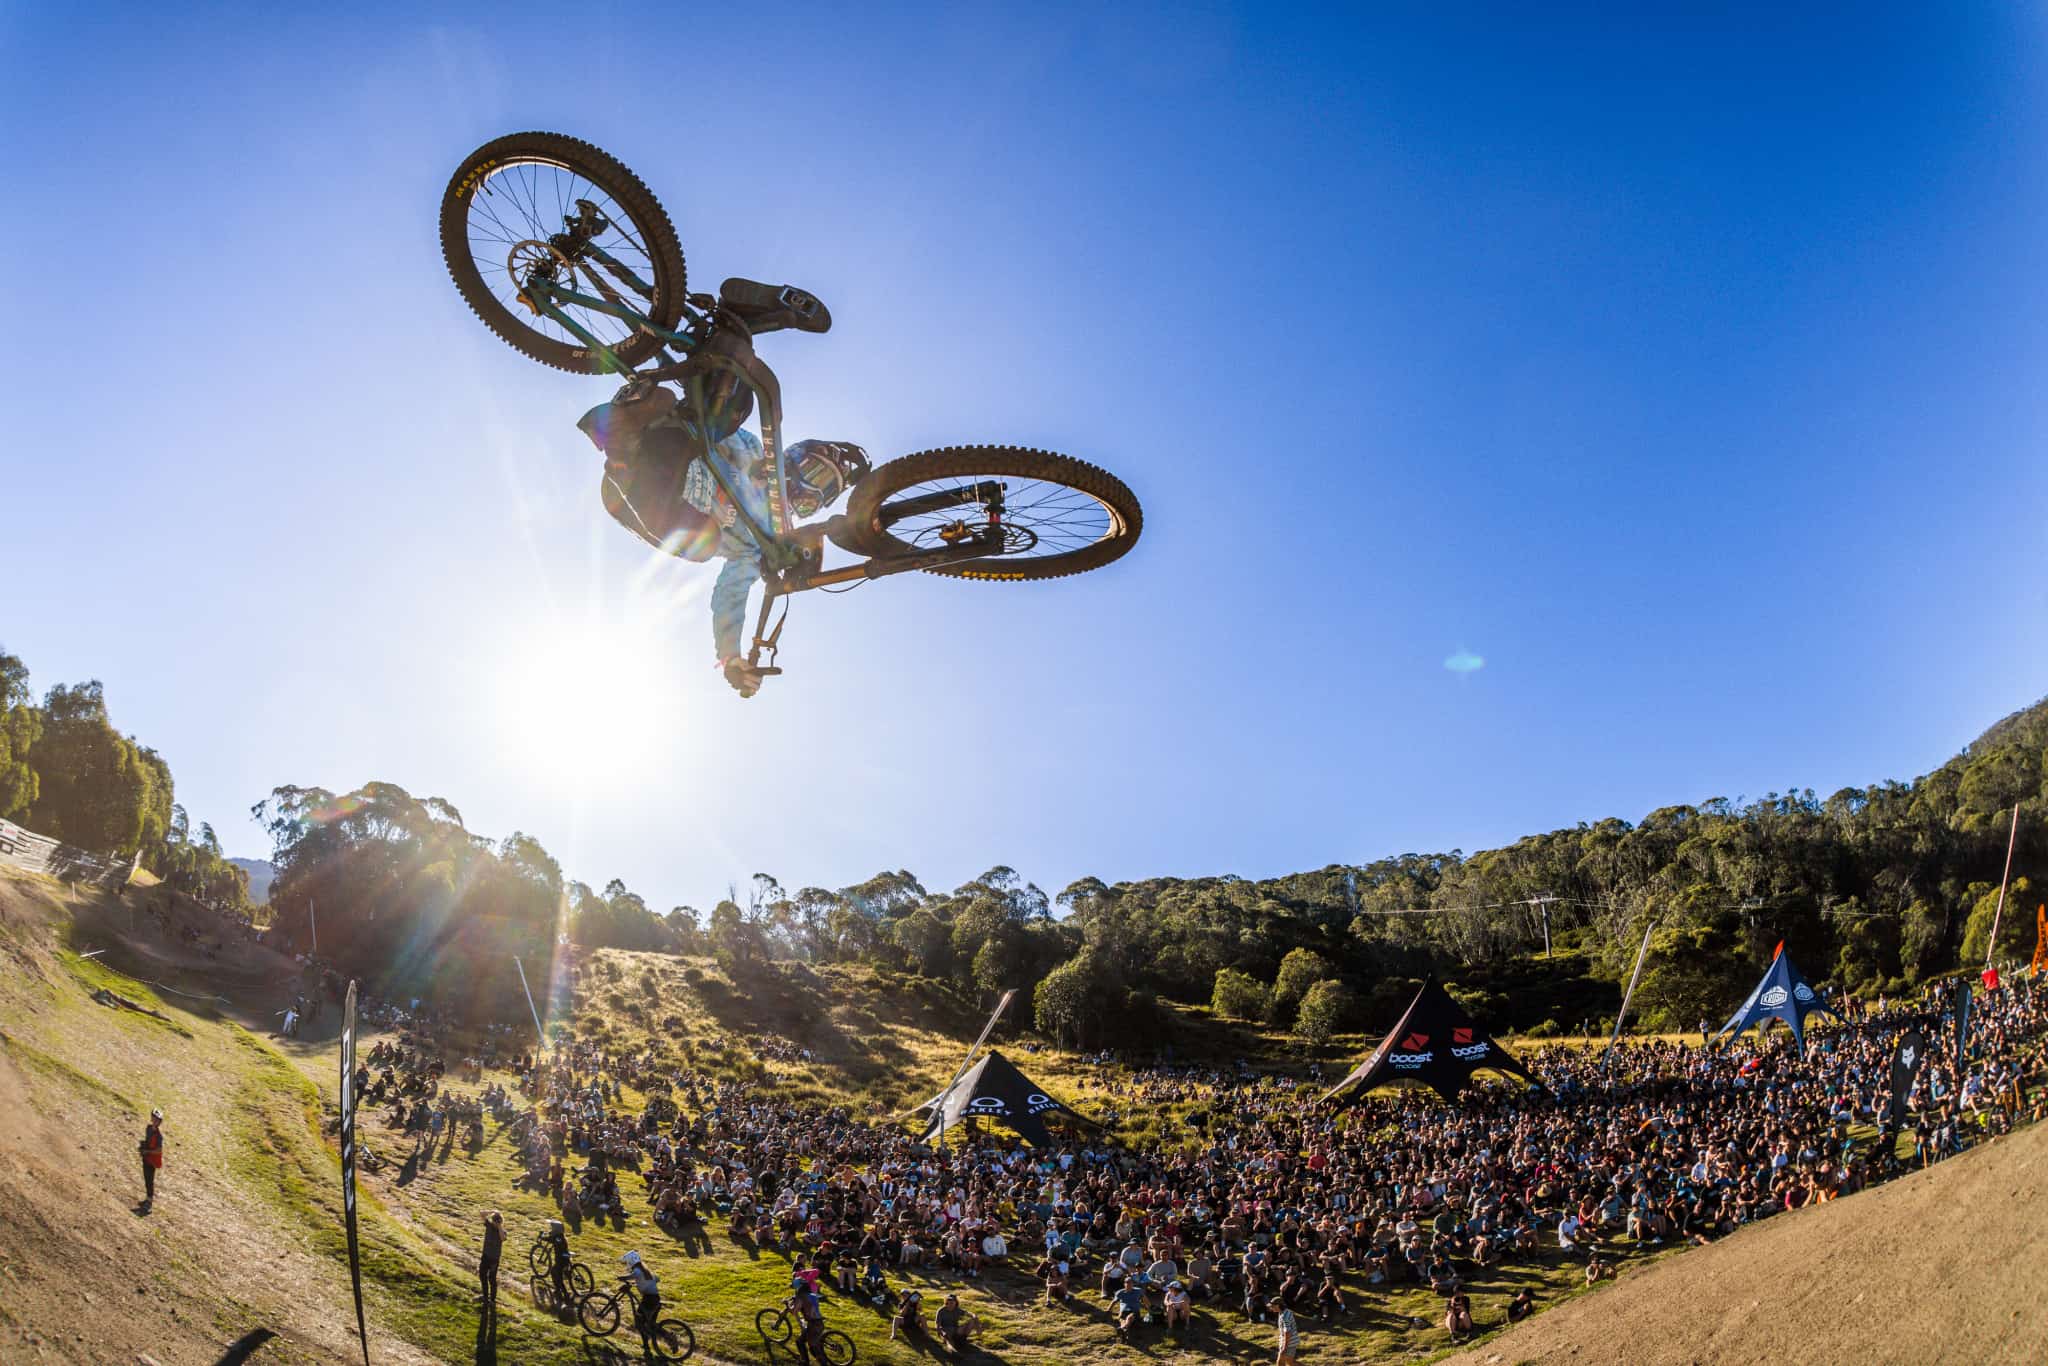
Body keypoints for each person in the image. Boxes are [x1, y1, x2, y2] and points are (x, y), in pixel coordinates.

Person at [576, 303, 869, 698]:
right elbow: (714, 423)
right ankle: (730, 326)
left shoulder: (763, 540)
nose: (808, 492)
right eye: (814, 476)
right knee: (733, 407)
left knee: (703, 545)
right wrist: (715, 383)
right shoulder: (750, 450)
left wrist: (730, 657)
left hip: (648, 499)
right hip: (671, 445)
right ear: (794, 457)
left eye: (820, 495)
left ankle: (622, 454)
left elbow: (730, 594)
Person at [620, 1250, 660, 1352]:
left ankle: (661, 1338)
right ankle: (647, 1346)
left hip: (648, 1299)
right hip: (655, 1298)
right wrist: (639, 1283)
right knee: (648, 1323)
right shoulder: (646, 1269)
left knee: (639, 1322)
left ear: (630, 1262)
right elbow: (657, 1278)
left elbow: (632, 1276)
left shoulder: (637, 1270)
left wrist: (621, 1278)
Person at [934, 1292, 979, 1356]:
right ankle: (954, 1352)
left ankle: (963, 1340)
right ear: (946, 1301)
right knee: (950, 1342)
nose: (950, 1302)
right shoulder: (941, 1311)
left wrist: (974, 1317)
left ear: (956, 1302)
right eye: (948, 1300)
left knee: (971, 1321)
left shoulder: (957, 1310)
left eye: (952, 1301)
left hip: (956, 1330)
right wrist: (942, 1333)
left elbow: (968, 1313)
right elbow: (937, 1325)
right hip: (946, 1331)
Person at [138, 1109, 165, 1210]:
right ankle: (147, 1199)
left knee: (150, 1180)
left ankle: (149, 1202)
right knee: (146, 1179)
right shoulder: (148, 1128)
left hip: (152, 1161)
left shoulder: (159, 1136)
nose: (155, 1121)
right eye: (154, 1118)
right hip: (146, 1158)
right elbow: (148, 1141)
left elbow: (159, 1150)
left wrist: (148, 1151)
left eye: (157, 1120)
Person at [478, 1211, 503, 1310]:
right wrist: (492, 1211)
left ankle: (492, 1300)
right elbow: (481, 1214)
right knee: (482, 1275)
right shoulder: (488, 1225)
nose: (495, 1223)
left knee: (492, 1279)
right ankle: (485, 1296)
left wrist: (500, 1226)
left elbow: (503, 1238)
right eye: (494, 1221)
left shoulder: (502, 1231)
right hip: (485, 1256)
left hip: (494, 1260)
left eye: (497, 1221)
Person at [1272, 1295, 1300, 1365]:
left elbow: (1288, 1332)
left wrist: (1284, 1348)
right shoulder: (1285, 1311)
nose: (1271, 1308)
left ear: (1278, 1305)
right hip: (1288, 1341)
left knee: (1281, 1362)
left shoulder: (1284, 1316)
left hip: (1289, 1343)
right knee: (1289, 1362)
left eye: (1272, 1306)